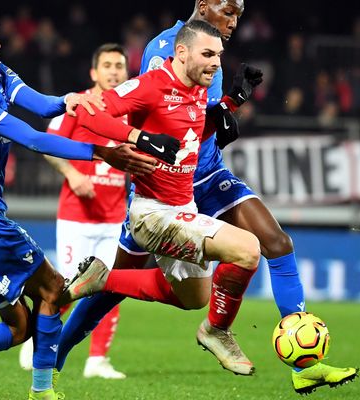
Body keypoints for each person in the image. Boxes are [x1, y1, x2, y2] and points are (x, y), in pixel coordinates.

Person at [59, 0, 358, 394]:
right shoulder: (166, 52)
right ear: (204, 6)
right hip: (162, 188)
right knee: (116, 288)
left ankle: (300, 363)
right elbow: (158, 116)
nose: (235, 22)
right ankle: (56, 353)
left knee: (277, 244)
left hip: (208, 174)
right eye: (228, 11)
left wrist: (232, 104)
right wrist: (138, 143)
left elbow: (197, 118)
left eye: (239, 14)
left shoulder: (208, 52)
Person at [0, 10, 172, 400]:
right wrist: (102, 153)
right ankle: (43, 391)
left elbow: (42, 107)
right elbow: (32, 138)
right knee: (54, 291)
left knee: (18, 327)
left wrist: (70, 100)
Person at [57, 18, 261, 380]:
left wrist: (232, 103)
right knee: (247, 249)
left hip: (182, 208)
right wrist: (138, 137)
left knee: (194, 299)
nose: (216, 63)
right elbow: (91, 114)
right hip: (152, 213)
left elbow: (191, 127)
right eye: (208, 54)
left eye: (219, 55)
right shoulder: (151, 85)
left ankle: (103, 281)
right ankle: (217, 332)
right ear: (181, 53)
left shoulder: (198, 88)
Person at [19, 43, 130, 379]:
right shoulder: (79, 105)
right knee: (65, 287)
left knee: (111, 288)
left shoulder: (131, 109)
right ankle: (37, 338)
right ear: (94, 72)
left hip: (114, 219)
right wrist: (73, 174)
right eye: (107, 65)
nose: (114, 71)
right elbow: (48, 147)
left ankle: (97, 360)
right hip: (76, 217)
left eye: (119, 65)